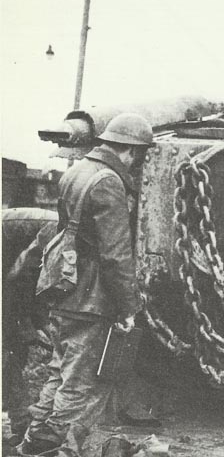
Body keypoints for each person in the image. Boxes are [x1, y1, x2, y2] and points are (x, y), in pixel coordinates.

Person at [18, 113, 154, 456]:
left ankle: (37, 441)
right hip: (92, 295)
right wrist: (128, 308)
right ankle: (65, 448)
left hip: (65, 285)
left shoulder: (77, 170)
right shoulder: (109, 182)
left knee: (60, 370)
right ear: (132, 152)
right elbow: (115, 255)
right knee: (83, 380)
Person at [2, 209, 58, 448]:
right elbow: (21, 274)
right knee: (8, 351)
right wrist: (32, 327)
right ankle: (21, 422)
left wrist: (40, 326)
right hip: (9, 266)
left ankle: (20, 422)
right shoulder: (61, 229)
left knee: (15, 350)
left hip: (11, 269)